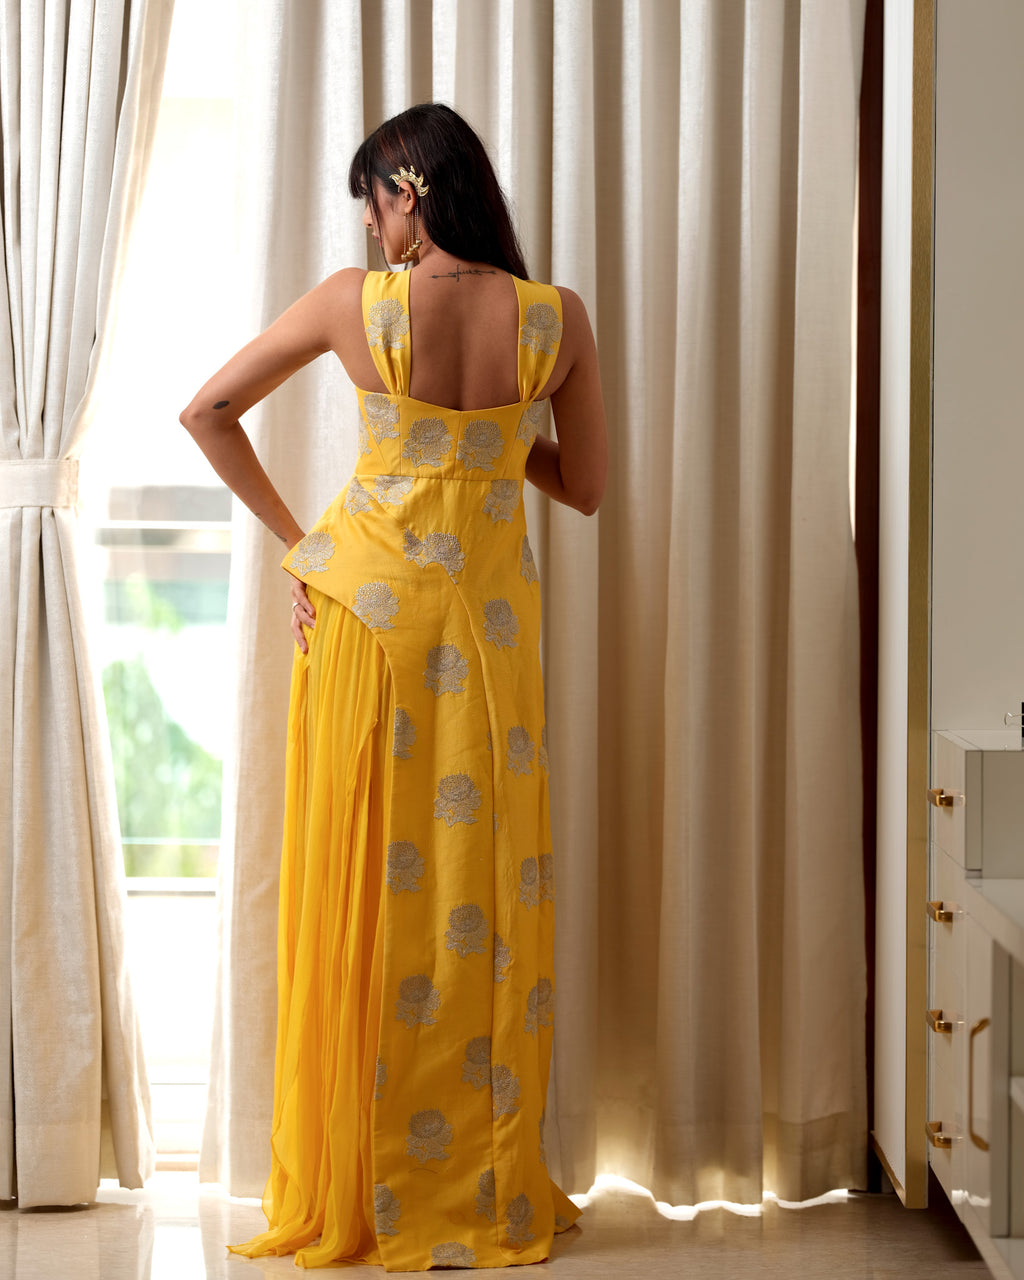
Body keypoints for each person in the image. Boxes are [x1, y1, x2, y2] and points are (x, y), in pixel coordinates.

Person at [180, 102, 607, 1271]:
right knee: (481, 892)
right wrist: (490, 429)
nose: (368, 227)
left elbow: (206, 412)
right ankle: (479, 1168)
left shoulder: (348, 306)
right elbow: (583, 488)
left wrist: (296, 543)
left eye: (372, 198)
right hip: (489, 641)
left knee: (365, 889)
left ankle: (361, 1178)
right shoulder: (552, 318)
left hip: (365, 619)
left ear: (408, 190)